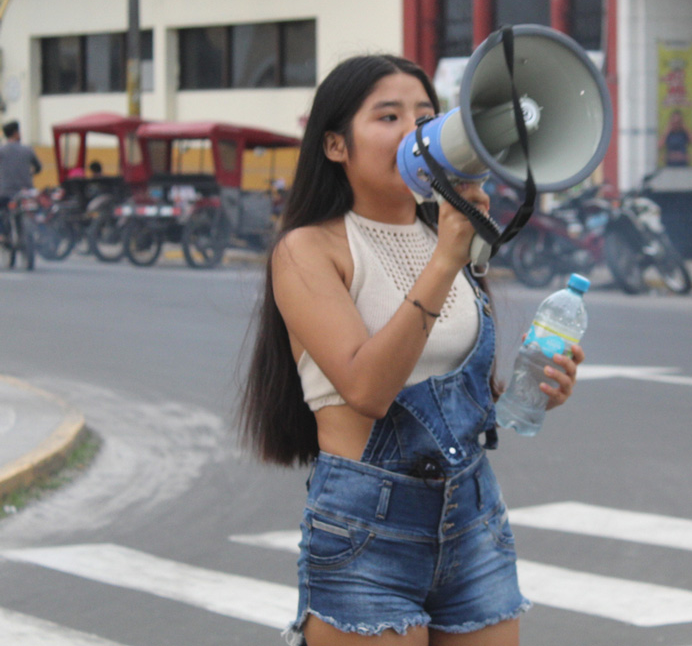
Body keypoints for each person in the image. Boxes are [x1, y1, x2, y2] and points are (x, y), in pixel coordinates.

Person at [238, 54, 583, 646]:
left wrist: (539, 391)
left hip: (474, 517)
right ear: (335, 145)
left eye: (427, 116)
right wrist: (449, 257)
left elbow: (456, 400)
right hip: (366, 527)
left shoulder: (445, 235)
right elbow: (367, 390)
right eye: (388, 116)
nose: (415, 133)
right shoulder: (308, 251)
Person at [0, 119, 42, 202]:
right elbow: (39, 167)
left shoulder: (1, 151)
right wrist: (30, 173)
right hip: (26, 193)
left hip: (5, 194)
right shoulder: (27, 150)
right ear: (16, 133)